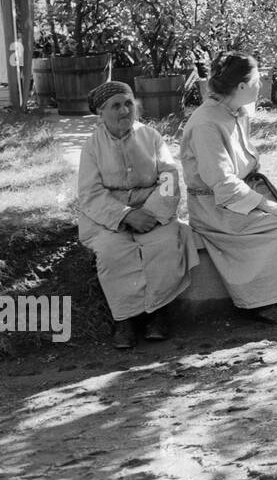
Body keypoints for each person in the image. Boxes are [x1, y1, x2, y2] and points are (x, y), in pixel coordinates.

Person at [179, 53, 277, 326]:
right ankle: (266, 300)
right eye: (258, 79)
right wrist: (266, 204)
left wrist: (268, 199)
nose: (263, 82)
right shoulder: (205, 124)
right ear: (242, 86)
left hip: (245, 191)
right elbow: (222, 182)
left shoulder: (238, 111)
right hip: (216, 205)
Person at [77, 81, 197, 349]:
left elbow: (168, 176)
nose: (124, 110)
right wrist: (125, 216)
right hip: (108, 216)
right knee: (112, 251)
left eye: (128, 103)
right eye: (115, 106)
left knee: (164, 245)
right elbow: (90, 193)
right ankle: (126, 320)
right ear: (101, 113)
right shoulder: (92, 146)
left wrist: (152, 212)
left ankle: (158, 313)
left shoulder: (151, 137)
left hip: (152, 209)